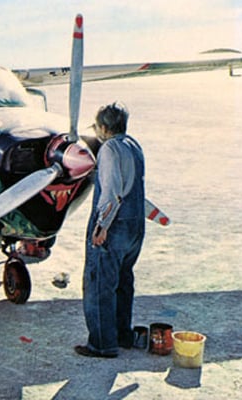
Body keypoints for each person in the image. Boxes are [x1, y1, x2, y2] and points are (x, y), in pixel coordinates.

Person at [75, 102, 145, 358]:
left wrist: (102, 226)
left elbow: (111, 192)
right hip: (135, 225)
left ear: (104, 128)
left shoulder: (109, 150)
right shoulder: (134, 146)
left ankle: (103, 344)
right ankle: (122, 334)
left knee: (99, 283)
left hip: (115, 226)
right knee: (123, 280)